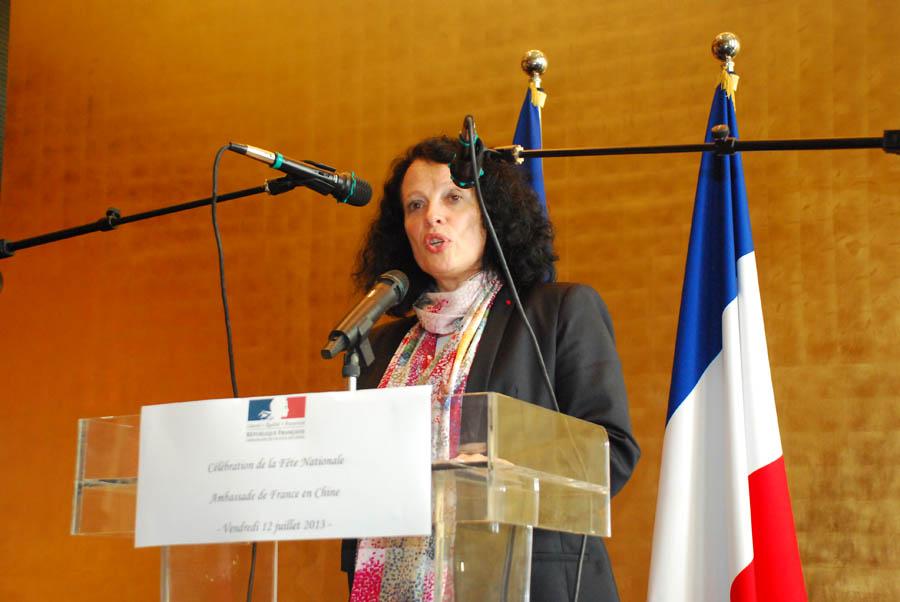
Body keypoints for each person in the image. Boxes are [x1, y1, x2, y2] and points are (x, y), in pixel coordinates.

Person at [341, 136, 640, 601]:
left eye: (453, 198)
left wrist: (499, 463)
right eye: (415, 205)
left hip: (525, 581)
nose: (431, 217)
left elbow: (612, 451)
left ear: (492, 214)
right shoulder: (382, 345)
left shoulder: (556, 313)